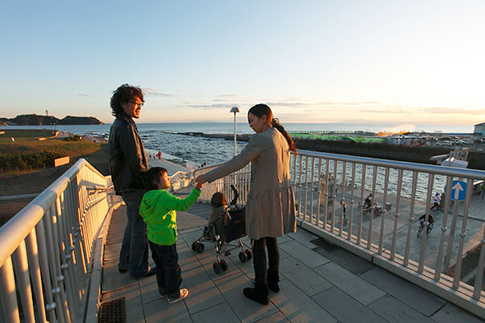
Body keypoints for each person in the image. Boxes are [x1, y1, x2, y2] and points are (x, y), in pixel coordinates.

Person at [196, 103, 297, 305]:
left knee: (258, 243)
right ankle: (273, 281)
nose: (250, 125)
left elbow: (237, 162)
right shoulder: (281, 137)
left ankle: (261, 289)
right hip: (279, 196)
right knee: (271, 240)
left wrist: (206, 177)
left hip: (263, 198)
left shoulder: (261, 138)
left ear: (264, 118)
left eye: (251, 120)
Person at [108, 84, 155, 278]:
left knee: (133, 223)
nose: (139, 107)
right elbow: (136, 162)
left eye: (141, 103)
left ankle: (125, 261)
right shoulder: (126, 126)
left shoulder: (119, 124)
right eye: (136, 103)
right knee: (140, 227)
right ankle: (138, 268)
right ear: (123, 103)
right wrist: (151, 183)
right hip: (134, 185)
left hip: (126, 184)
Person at [139, 167, 203, 304]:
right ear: (156, 181)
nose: (168, 179)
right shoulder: (163, 196)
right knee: (172, 267)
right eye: (166, 176)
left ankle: (163, 290)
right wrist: (197, 189)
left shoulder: (146, 197)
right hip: (166, 240)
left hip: (153, 239)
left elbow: (142, 214)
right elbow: (183, 205)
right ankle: (173, 294)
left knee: (160, 266)